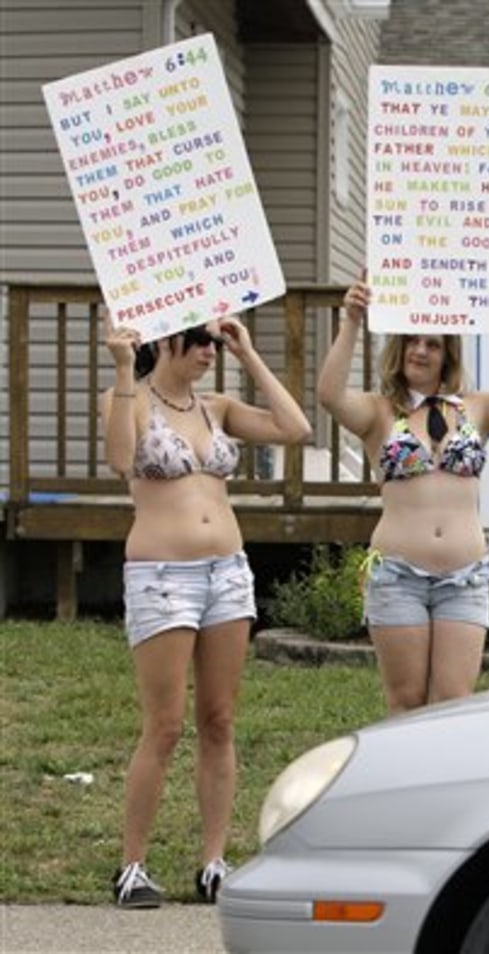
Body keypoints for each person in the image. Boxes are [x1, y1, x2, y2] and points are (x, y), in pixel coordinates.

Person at [101, 316, 312, 909]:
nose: (207, 354)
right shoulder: (131, 398)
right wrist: (122, 366)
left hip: (227, 572)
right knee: (165, 724)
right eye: (201, 344)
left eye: (214, 345)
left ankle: (214, 860)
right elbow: (121, 458)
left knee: (219, 719)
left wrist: (249, 354)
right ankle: (132, 865)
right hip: (162, 576)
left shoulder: (216, 405)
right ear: (167, 341)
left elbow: (294, 428)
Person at [317, 277, 489, 714]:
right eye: (412, 341)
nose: (420, 350)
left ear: (447, 352)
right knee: (407, 703)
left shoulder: (477, 409)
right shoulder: (379, 411)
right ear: (398, 348)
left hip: (464, 578)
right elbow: (330, 395)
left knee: (454, 704)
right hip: (397, 577)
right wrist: (352, 320)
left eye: (432, 343)